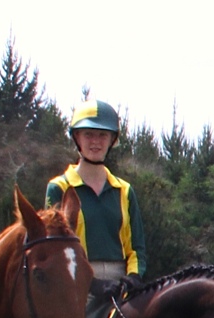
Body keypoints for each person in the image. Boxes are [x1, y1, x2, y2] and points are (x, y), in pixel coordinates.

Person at [45, 99, 144, 294]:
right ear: (77, 138)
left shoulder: (124, 190)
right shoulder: (59, 188)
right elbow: (54, 249)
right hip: (76, 283)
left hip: (120, 281)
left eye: (102, 135)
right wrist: (90, 283)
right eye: (88, 134)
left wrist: (133, 276)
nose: (96, 142)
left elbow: (137, 247)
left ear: (112, 140)